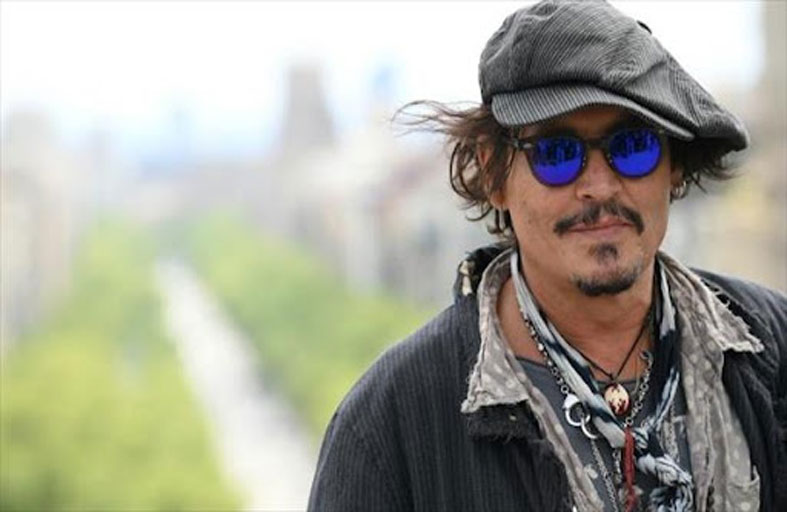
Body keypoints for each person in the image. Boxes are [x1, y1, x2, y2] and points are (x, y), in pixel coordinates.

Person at [307, 1, 787, 511]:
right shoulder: (392, 427)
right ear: (494, 175)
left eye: (633, 146)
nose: (600, 186)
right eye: (557, 154)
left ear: (673, 166)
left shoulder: (773, 355)